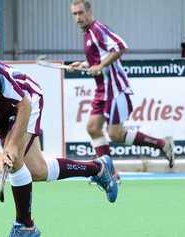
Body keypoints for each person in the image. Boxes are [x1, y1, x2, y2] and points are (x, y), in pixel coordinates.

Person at [0, 38, 118, 237]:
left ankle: (25, 226)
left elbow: (24, 105)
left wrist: (12, 145)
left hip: (26, 102)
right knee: (37, 171)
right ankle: (97, 168)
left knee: (15, 161)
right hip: (1, 119)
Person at [69, 0, 175, 169]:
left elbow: (121, 46)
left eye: (81, 13)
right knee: (93, 128)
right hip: (102, 90)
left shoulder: (98, 30)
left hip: (115, 89)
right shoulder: (88, 34)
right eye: (74, 14)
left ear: (89, 11)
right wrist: (83, 64)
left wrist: (101, 66)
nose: (78, 18)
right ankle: (109, 172)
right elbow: (99, 58)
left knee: (115, 134)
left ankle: (162, 144)